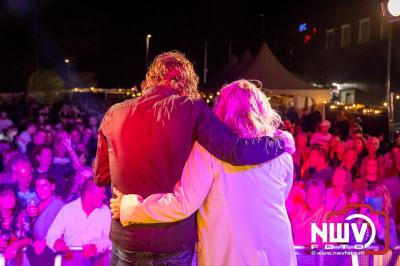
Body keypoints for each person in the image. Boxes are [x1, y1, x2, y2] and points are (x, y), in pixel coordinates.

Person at [93, 51, 295, 265]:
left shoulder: (113, 114)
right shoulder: (194, 112)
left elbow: (101, 176)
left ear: (152, 78)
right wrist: (281, 143)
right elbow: (238, 152)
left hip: (129, 238)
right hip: (178, 243)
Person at [46, 178, 111, 265]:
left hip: (96, 262)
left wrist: (95, 247)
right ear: (88, 194)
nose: (104, 196)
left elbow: (110, 238)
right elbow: (51, 235)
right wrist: (58, 244)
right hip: (70, 261)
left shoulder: (105, 211)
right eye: (101, 193)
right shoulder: (68, 209)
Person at [26, 175, 64, 266]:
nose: (41, 189)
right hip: (35, 249)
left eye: (44, 186)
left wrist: (45, 241)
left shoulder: (59, 206)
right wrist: (27, 216)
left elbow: (64, 231)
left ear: (52, 187)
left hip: (50, 250)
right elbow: (27, 231)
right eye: (38, 186)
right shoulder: (34, 205)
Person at [0, 184, 32, 263]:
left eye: (12, 196)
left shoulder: (22, 216)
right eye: (5, 196)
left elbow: (29, 240)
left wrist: (16, 245)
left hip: (17, 258)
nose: (10, 199)